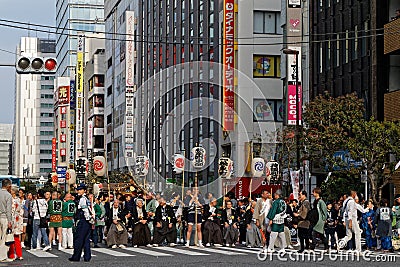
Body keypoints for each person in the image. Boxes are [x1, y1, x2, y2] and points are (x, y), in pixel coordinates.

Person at [69, 184, 93, 262]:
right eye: (78, 189)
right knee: (86, 240)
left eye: (80, 189)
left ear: (84, 190)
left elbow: (85, 210)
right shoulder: (86, 198)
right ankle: (87, 257)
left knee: (79, 239)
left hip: (83, 220)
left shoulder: (83, 199)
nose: (78, 191)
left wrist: (87, 218)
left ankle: (76, 257)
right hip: (87, 222)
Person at [8, 187, 24, 260]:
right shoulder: (18, 200)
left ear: (13, 192)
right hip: (17, 220)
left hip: (12, 219)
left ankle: (12, 254)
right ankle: (19, 254)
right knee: (16, 238)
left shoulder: (10, 199)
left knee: (11, 238)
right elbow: (21, 211)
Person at [0, 179, 13, 262]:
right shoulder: (8, 195)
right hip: (4, 217)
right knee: (4, 238)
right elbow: (9, 210)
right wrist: (10, 221)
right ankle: (3, 256)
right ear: (8, 186)